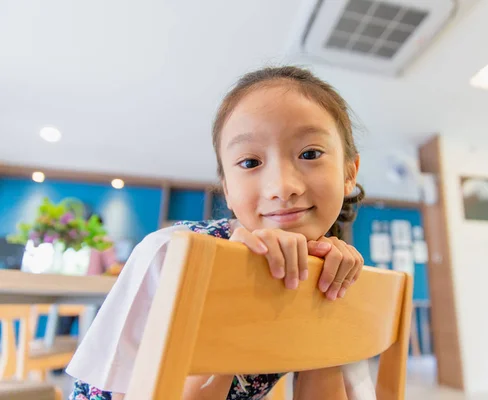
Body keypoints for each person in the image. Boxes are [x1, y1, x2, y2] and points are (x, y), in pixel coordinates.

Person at [66, 66, 373, 400]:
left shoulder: (326, 269)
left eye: (310, 154)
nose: (282, 187)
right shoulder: (172, 255)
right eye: (250, 162)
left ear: (349, 173)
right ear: (226, 189)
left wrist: (327, 302)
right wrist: (230, 279)